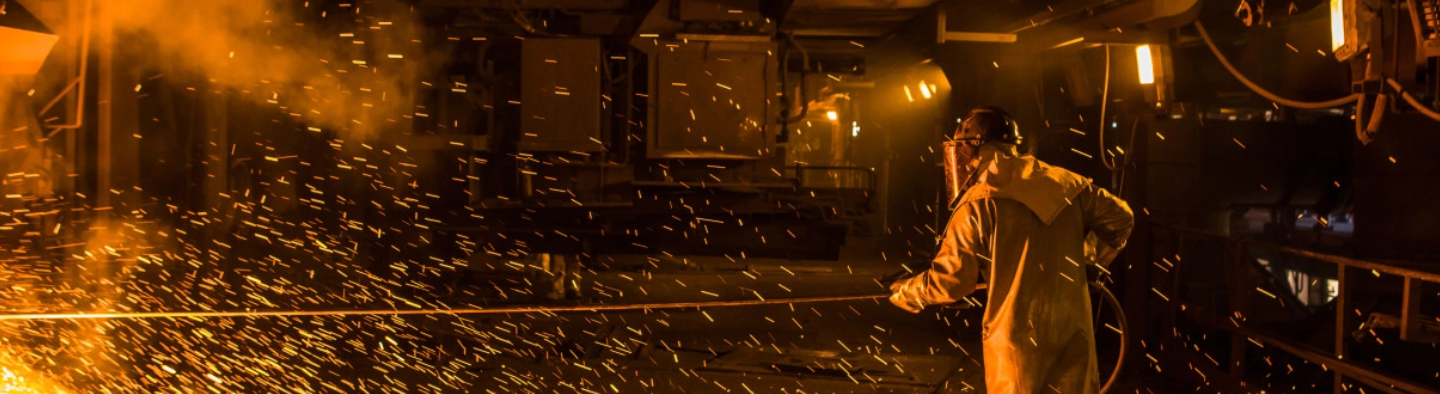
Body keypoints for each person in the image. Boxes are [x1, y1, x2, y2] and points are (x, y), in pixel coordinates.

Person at [889, 107, 1134, 394]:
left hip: (1018, 340)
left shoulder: (978, 202)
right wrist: (1087, 259)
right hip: (1072, 329)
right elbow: (1122, 218)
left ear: (975, 149)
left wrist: (906, 292)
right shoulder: (1067, 185)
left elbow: (950, 282)